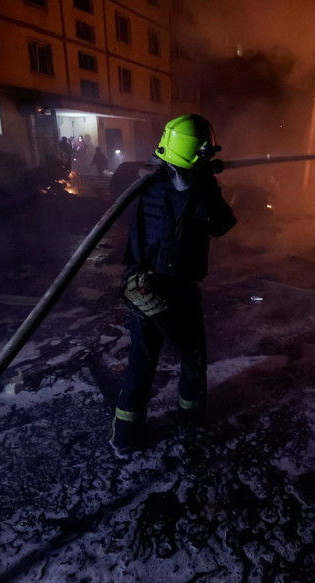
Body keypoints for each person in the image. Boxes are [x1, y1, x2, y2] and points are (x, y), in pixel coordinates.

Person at [110, 114, 237, 454]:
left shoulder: (142, 181)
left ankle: (125, 438)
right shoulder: (195, 193)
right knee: (192, 359)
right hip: (176, 292)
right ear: (196, 153)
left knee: (141, 361)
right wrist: (207, 184)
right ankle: (190, 422)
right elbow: (222, 224)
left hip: (140, 287)